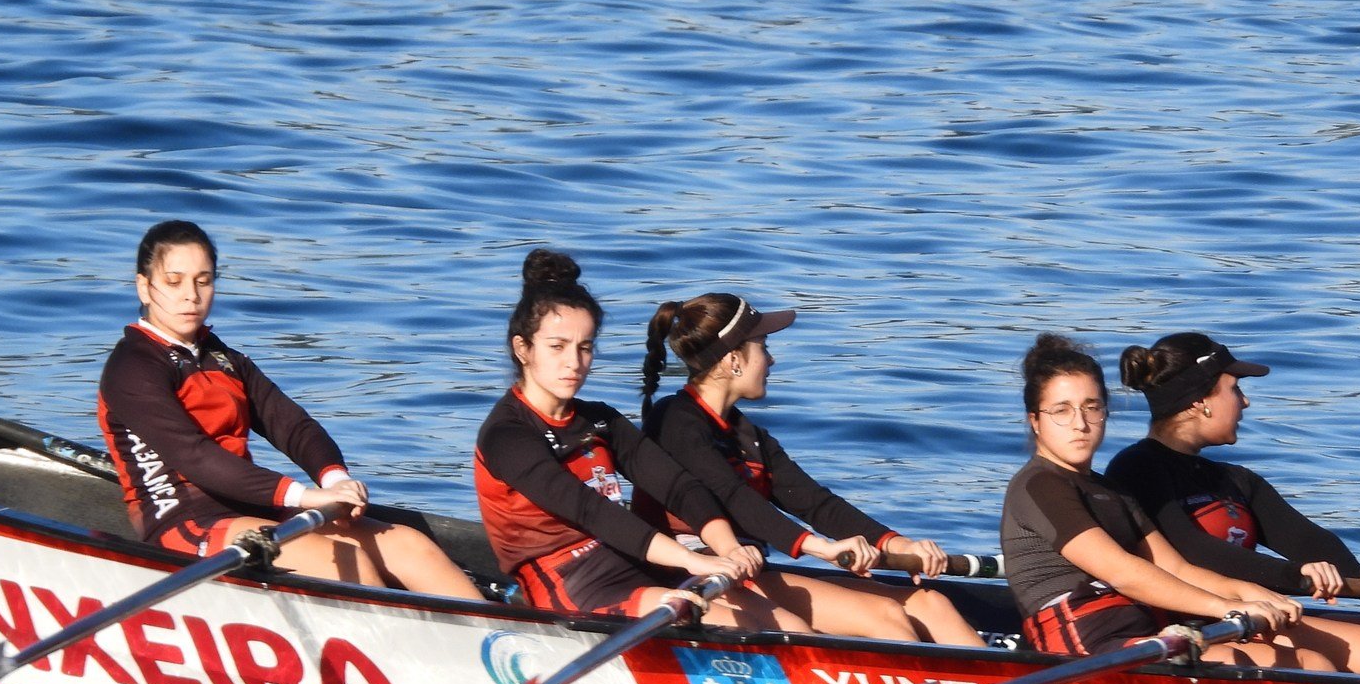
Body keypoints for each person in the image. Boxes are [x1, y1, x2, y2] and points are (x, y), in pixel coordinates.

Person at [98, 220, 482, 599]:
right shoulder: (133, 368)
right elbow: (196, 458)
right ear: (144, 287)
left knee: (409, 546)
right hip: (184, 519)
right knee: (347, 562)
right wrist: (304, 497)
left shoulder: (221, 357)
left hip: (248, 508)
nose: (191, 296)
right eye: (174, 281)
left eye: (203, 280)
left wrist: (333, 480)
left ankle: (497, 642)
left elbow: (290, 424)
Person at [472, 250, 800, 630]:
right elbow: (591, 512)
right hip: (570, 584)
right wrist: (692, 560)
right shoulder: (507, 436)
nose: (574, 363)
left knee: (790, 628)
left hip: (630, 560)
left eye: (585, 347)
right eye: (557, 347)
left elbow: (678, 487)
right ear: (522, 349)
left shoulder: (600, 419)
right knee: (748, 629)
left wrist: (727, 548)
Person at [1106, 333, 1360, 680]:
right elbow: (1193, 552)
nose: (1245, 402)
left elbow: (1304, 539)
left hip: (1259, 610)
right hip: (1192, 619)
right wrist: (1298, 577)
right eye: (1235, 389)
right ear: (1201, 400)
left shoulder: (1234, 479)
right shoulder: (1137, 469)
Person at [638, 291, 983, 646]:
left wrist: (899, 544)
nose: (771, 360)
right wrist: (820, 549)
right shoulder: (674, 422)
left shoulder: (747, 435)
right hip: (690, 577)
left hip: (749, 573)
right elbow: (734, 496)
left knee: (931, 603)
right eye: (763, 346)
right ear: (733, 360)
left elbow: (816, 503)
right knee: (888, 619)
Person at [1000, 333, 1317, 668]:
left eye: (1091, 407)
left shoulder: (1112, 492)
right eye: (1061, 411)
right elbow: (1123, 573)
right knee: (1236, 660)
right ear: (1035, 421)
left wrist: (1246, 592)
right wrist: (1224, 607)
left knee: (1307, 662)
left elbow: (1176, 568)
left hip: (1144, 632)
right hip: (1082, 642)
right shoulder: (1039, 485)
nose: (1080, 424)